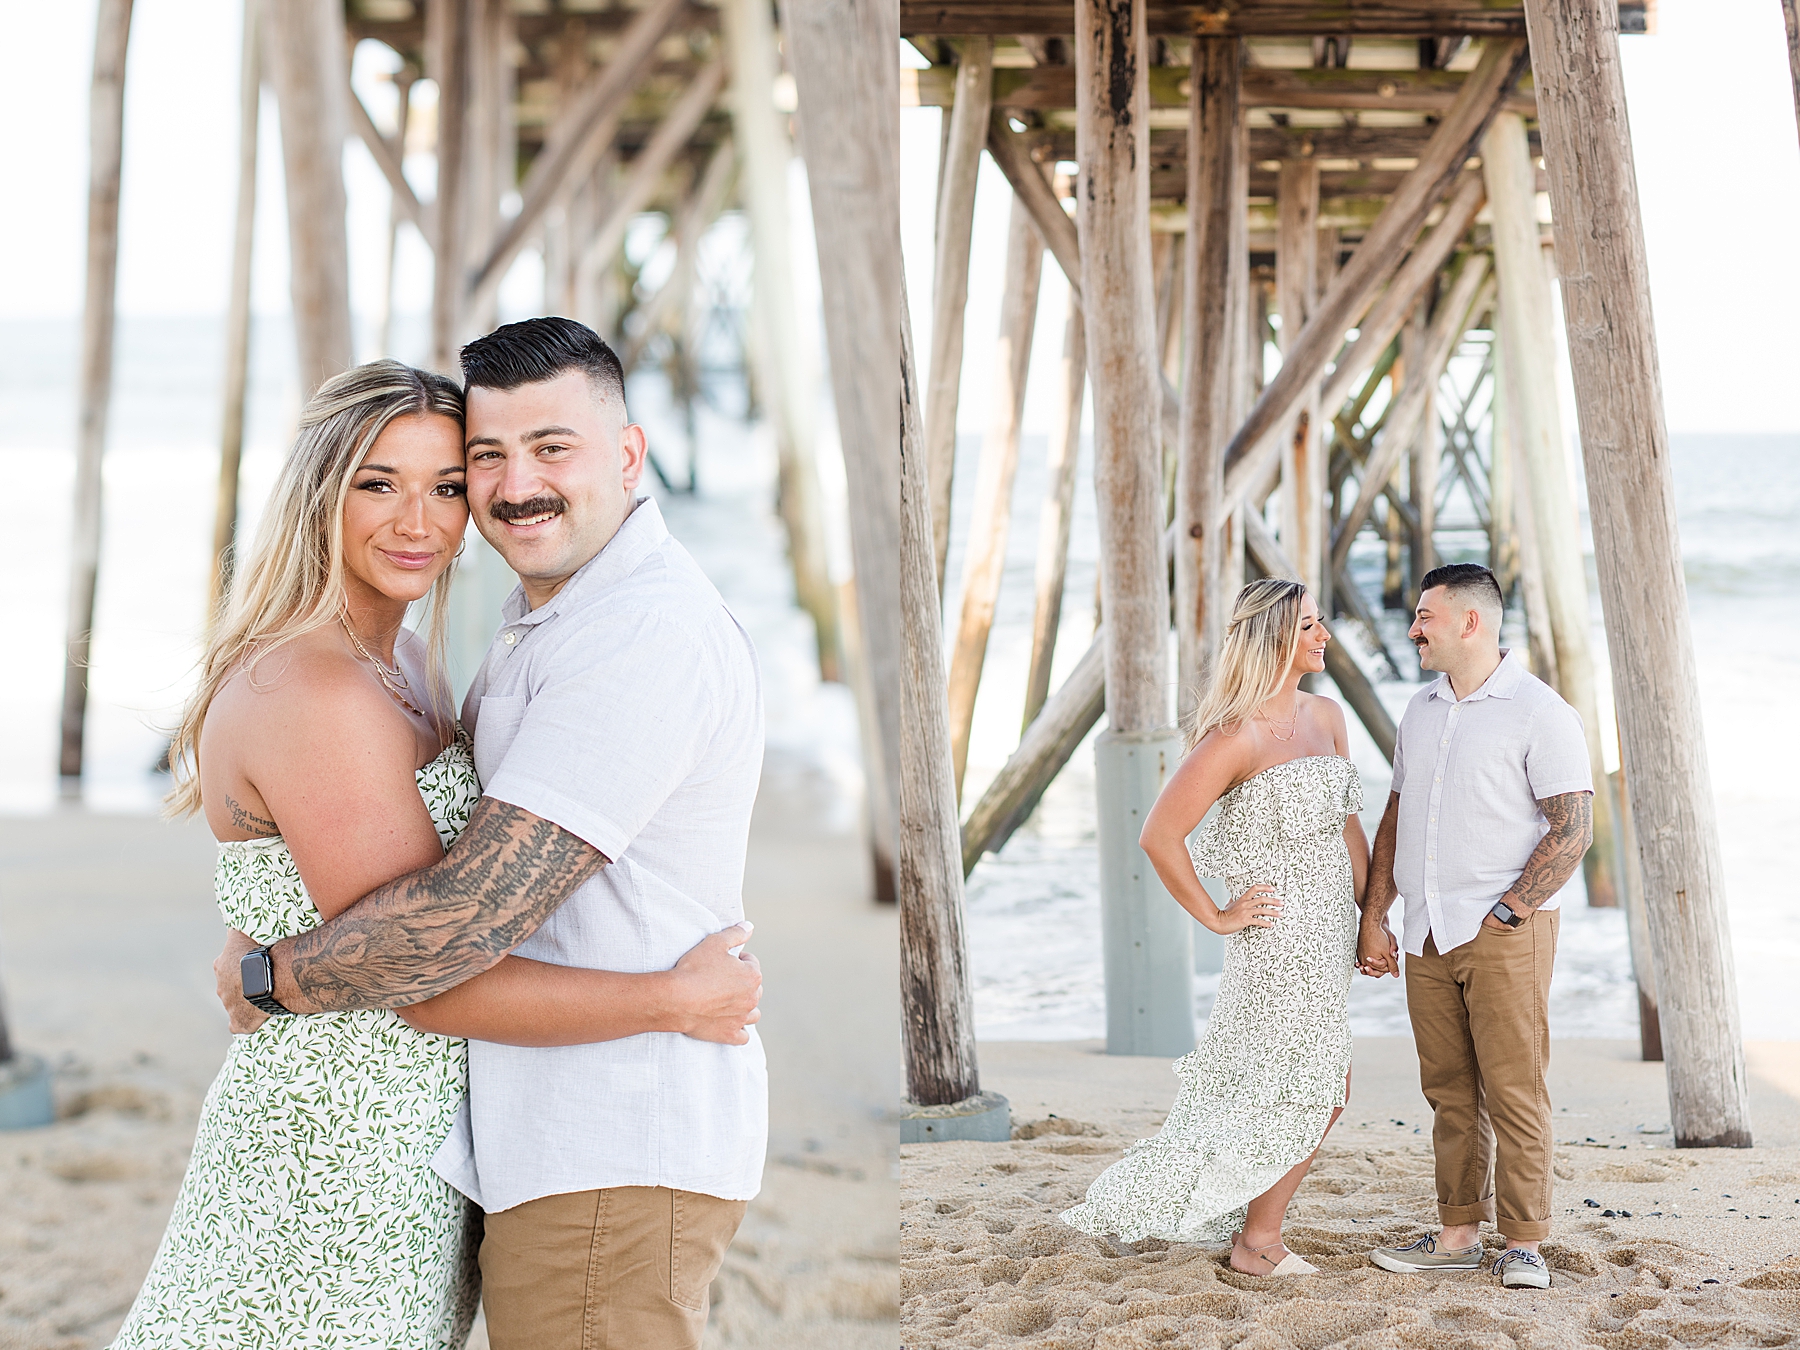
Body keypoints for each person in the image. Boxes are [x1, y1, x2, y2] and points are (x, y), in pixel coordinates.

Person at [115, 361, 762, 1349]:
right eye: (379, 482)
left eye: (447, 486)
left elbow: (306, 882)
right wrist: (672, 1001)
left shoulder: (406, 661)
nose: (418, 519)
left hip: (424, 1149)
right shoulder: (320, 689)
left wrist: (264, 942)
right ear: (320, 493)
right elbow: (428, 980)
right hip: (338, 1159)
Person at [1061, 578, 1370, 1277]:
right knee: (1311, 1088)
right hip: (1277, 938)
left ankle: (1253, 1232)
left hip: (1328, 936)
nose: (1324, 637)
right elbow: (1159, 835)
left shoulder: (1327, 716)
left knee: (1305, 1087)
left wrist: (1371, 919)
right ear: (1270, 640)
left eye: (1321, 623)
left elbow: (1347, 825)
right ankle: (1257, 1243)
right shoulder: (1234, 736)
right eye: (1308, 628)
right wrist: (1218, 915)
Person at [1360, 562, 1593, 1291]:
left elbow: (1573, 826)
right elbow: (1397, 814)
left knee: (1514, 1089)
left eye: (1425, 616)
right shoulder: (1421, 710)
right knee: (1450, 1090)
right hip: (1428, 930)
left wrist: (1511, 909)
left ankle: (1524, 1243)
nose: (1412, 628)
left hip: (1502, 932)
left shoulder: (1539, 710)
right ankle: (1459, 1232)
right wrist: (1377, 914)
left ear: (1471, 621)